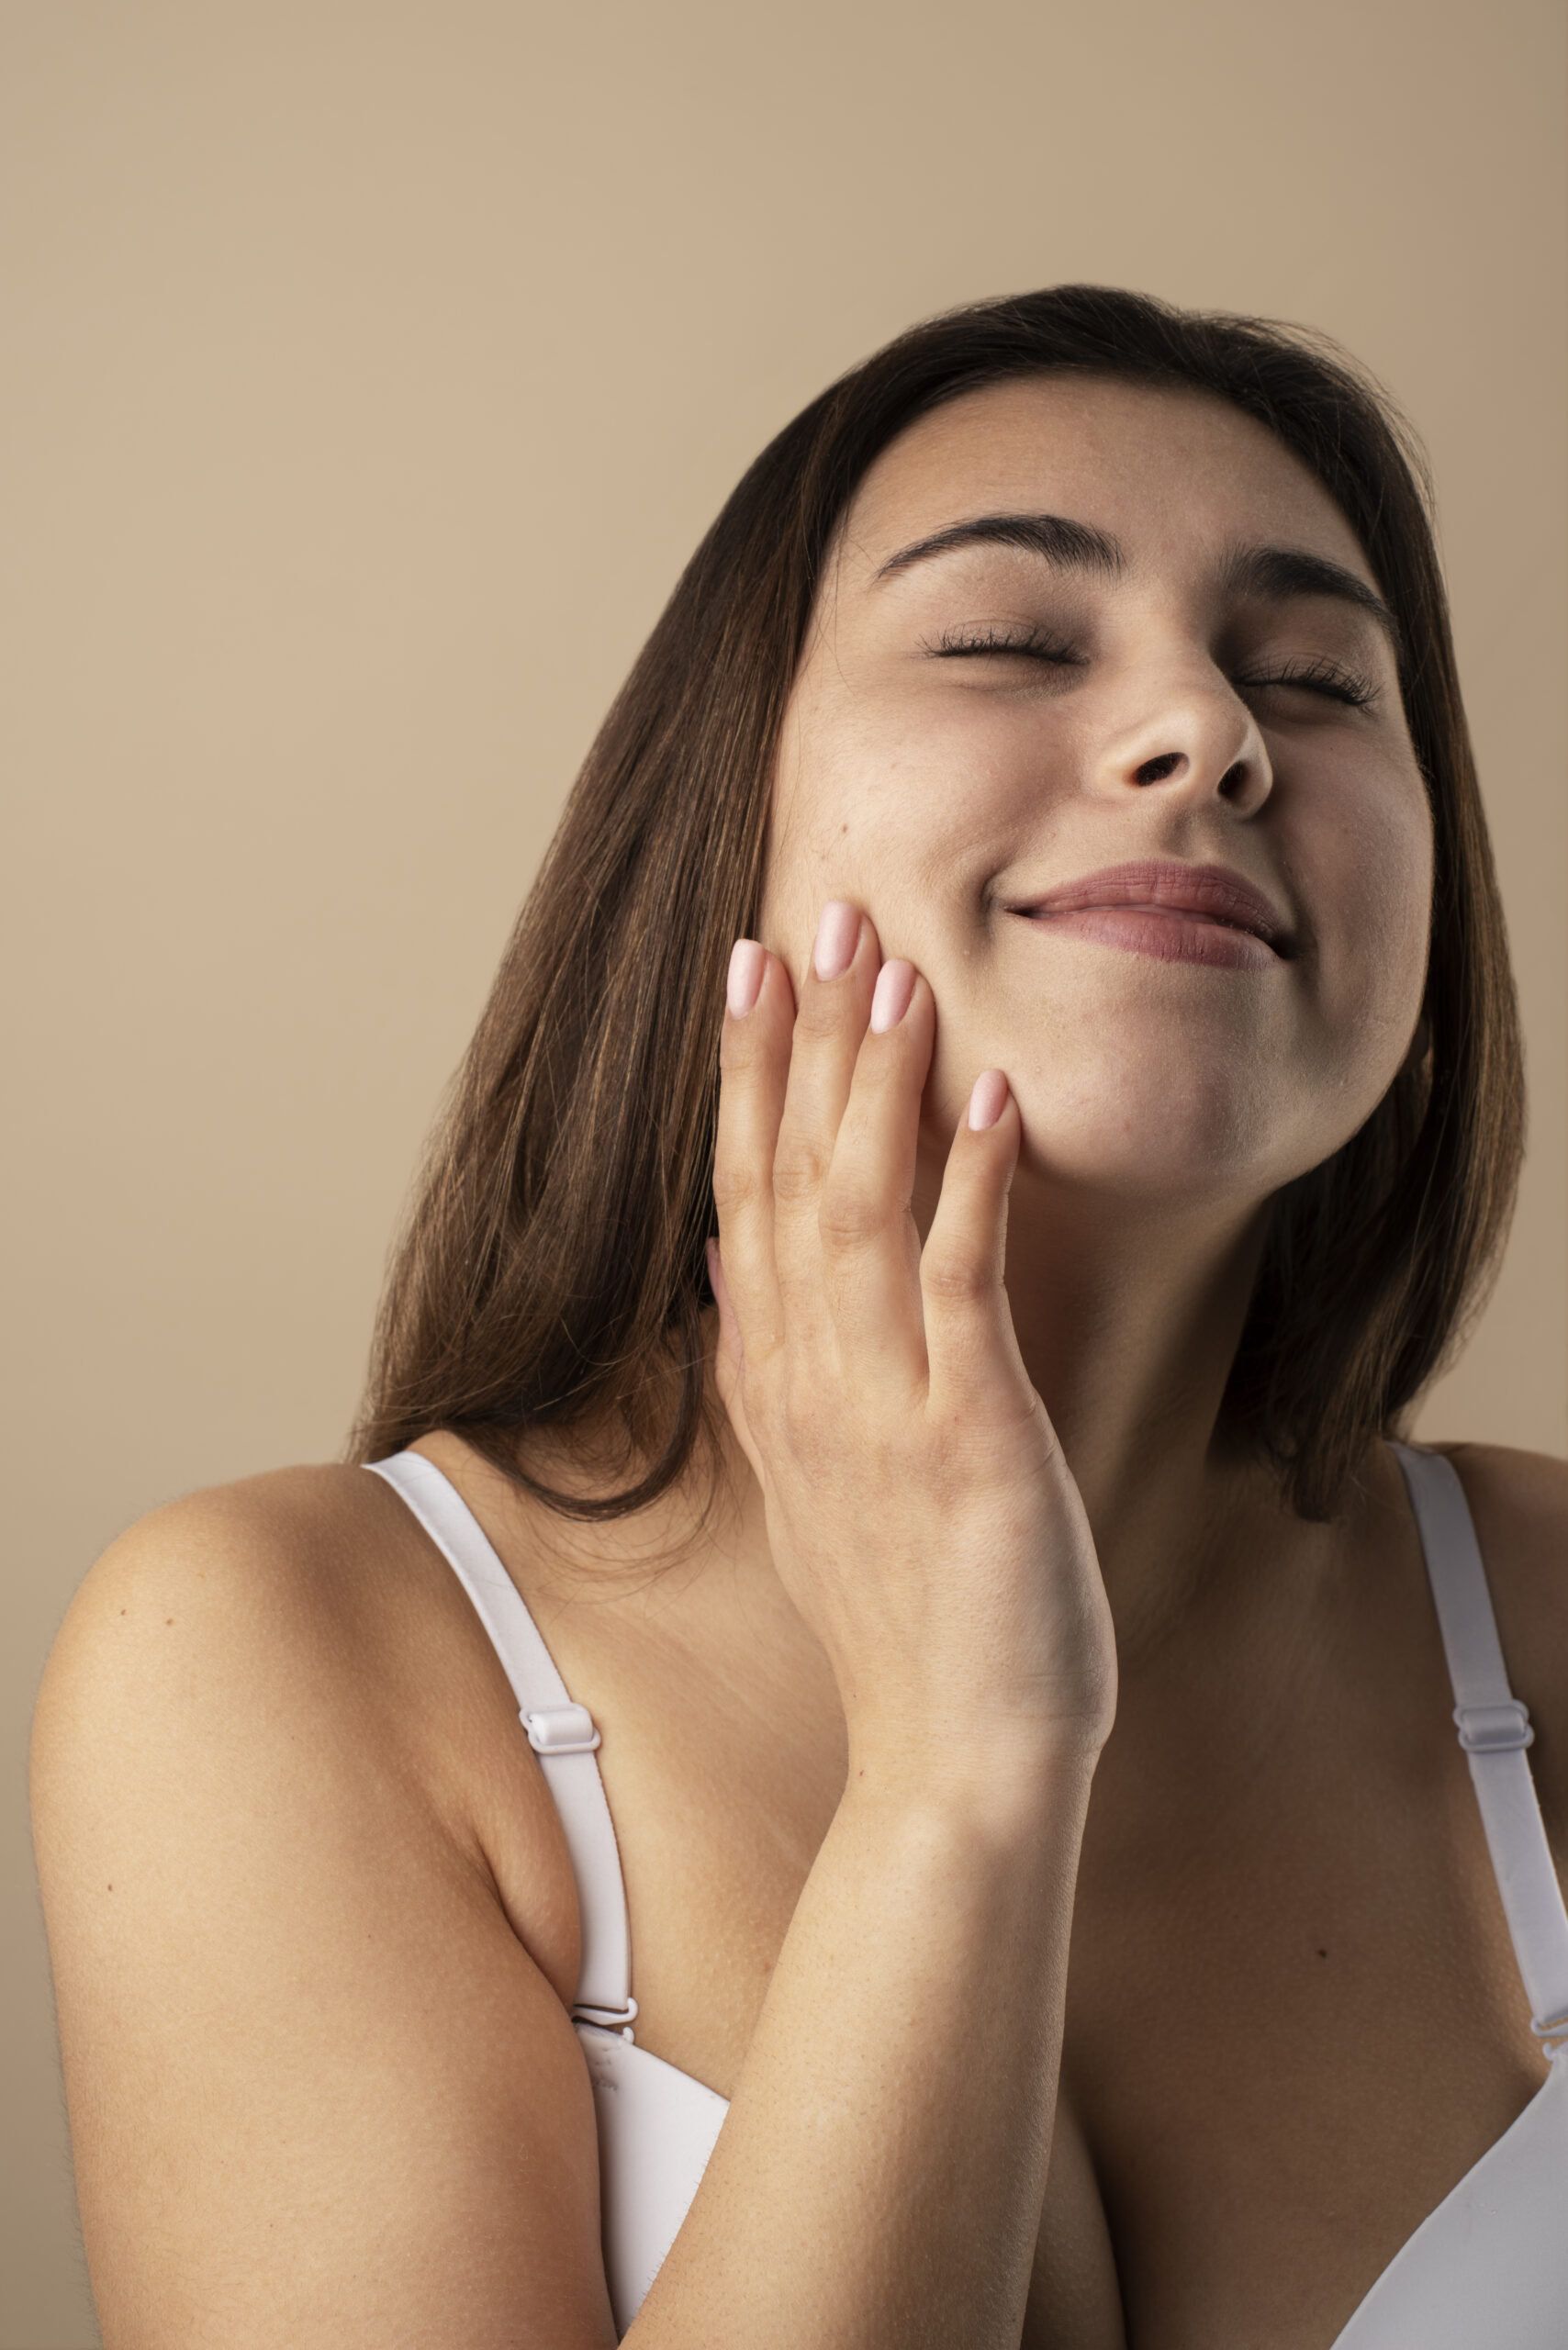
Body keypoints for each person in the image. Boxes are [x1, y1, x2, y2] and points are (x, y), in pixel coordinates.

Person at [30, 285, 1568, 2349]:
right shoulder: (271, 1650)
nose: (1208, 729)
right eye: (1013, 638)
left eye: (1312, 677)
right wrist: (959, 1768)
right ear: (717, 832)